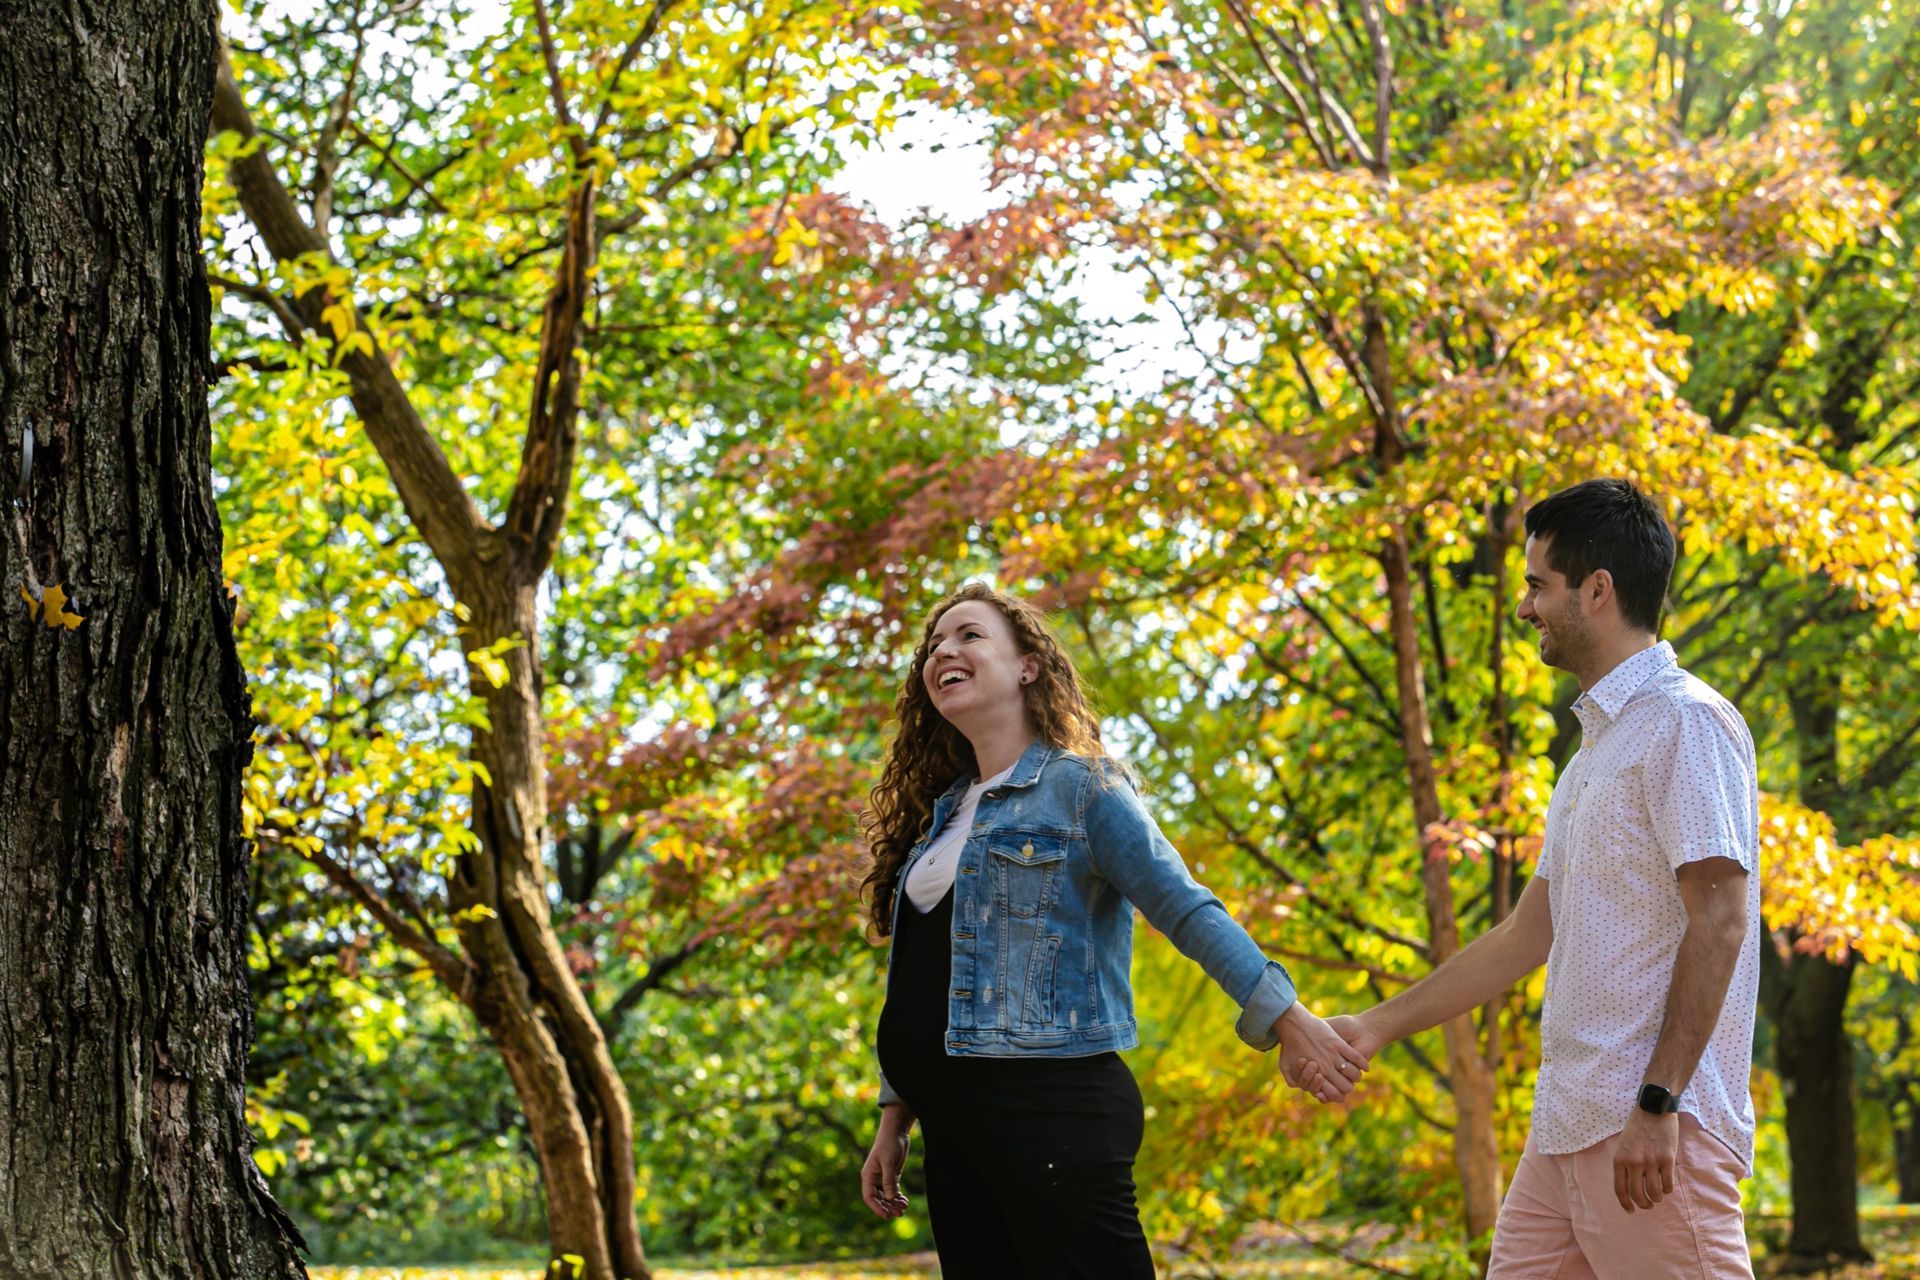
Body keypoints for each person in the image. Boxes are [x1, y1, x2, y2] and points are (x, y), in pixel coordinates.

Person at [1298, 479, 1761, 1279]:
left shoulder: (1686, 721)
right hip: (1565, 1134)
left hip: (1649, 1136)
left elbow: (1720, 923)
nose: (1524, 608)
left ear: (1598, 590)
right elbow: (1526, 935)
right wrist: (1373, 1027)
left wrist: (1659, 1103)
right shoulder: (1590, 757)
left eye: (1537, 586)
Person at [856, 582, 1369, 1278]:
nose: (943, 650)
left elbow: (1185, 906)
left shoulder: (1082, 788)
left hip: (1049, 1116)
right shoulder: (944, 815)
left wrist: (1288, 1018)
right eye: (934, 644)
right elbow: (921, 975)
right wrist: (896, 1115)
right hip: (956, 1131)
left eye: (969, 634)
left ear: (1028, 665)